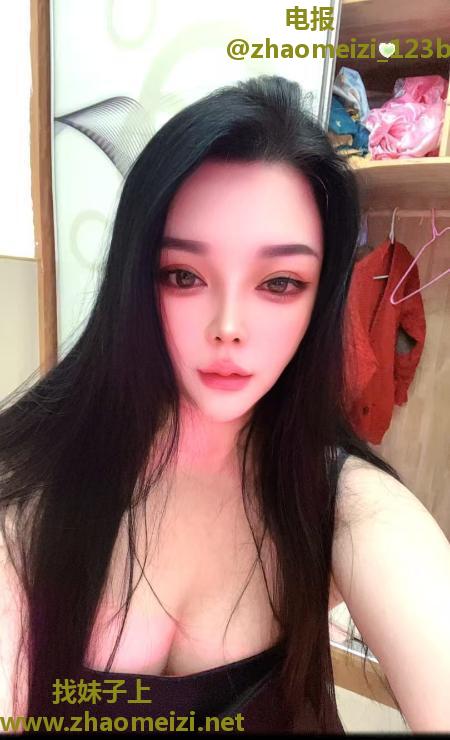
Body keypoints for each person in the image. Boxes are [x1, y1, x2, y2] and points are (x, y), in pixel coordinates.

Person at [1, 75, 449, 734]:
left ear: (322, 297)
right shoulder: (31, 489)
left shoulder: (346, 504)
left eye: (280, 283)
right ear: (136, 280)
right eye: (184, 275)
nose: (228, 327)